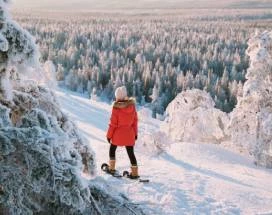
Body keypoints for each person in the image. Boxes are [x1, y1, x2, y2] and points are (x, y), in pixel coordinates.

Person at [106, 86, 139, 179]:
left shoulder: (116, 108)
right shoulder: (132, 106)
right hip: (130, 134)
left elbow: (113, 124)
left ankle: (111, 168)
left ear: (118, 97)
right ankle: (135, 172)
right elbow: (135, 122)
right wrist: (135, 134)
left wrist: (109, 136)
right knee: (131, 153)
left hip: (117, 135)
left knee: (112, 149)